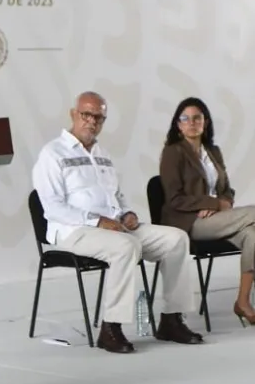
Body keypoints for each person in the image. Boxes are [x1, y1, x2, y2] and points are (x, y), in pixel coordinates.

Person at [32, 91, 203, 353]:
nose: (92, 121)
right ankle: (110, 328)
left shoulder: (102, 154)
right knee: (125, 247)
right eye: (86, 114)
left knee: (176, 239)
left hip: (114, 228)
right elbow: (53, 207)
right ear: (73, 114)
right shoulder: (52, 154)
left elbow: (116, 197)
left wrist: (126, 214)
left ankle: (171, 319)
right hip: (73, 231)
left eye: (98, 117)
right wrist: (97, 221)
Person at [158, 97, 255, 326]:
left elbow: (226, 189)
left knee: (253, 234)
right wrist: (211, 204)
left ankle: (243, 301)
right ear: (178, 125)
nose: (191, 122)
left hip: (217, 217)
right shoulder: (173, 152)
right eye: (185, 119)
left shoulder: (213, 151)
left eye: (197, 118)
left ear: (205, 122)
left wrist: (224, 202)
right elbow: (174, 198)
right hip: (189, 222)